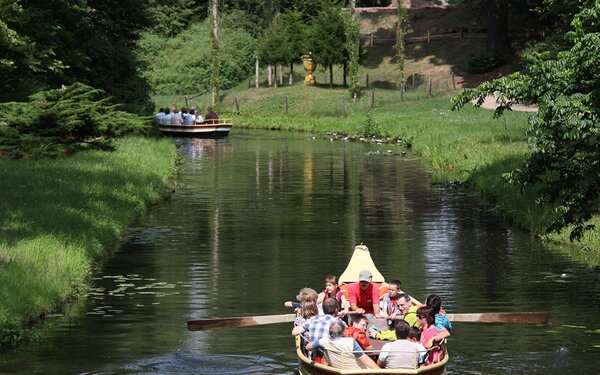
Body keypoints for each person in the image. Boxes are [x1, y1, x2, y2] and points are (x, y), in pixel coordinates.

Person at [306, 322, 379, 370]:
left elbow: (308, 347)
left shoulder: (323, 341)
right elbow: (365, 358)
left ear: (329, 332)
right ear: (344, 332)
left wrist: (317, 350)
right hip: (358, 372)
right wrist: (380, 371)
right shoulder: (351, 342)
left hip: (338, 370)